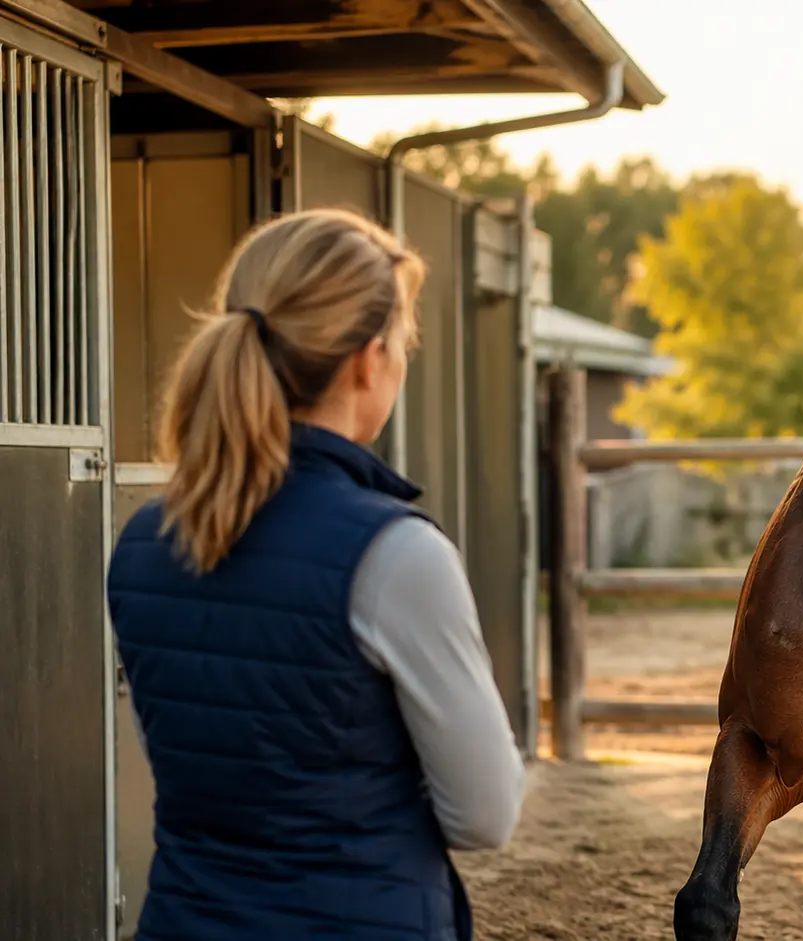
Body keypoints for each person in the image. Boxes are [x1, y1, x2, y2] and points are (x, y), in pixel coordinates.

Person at [106, 208, 525, 941]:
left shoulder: (144, 539)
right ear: (369, 360)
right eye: (403, 342)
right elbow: (486, 814)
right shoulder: (398, 555)